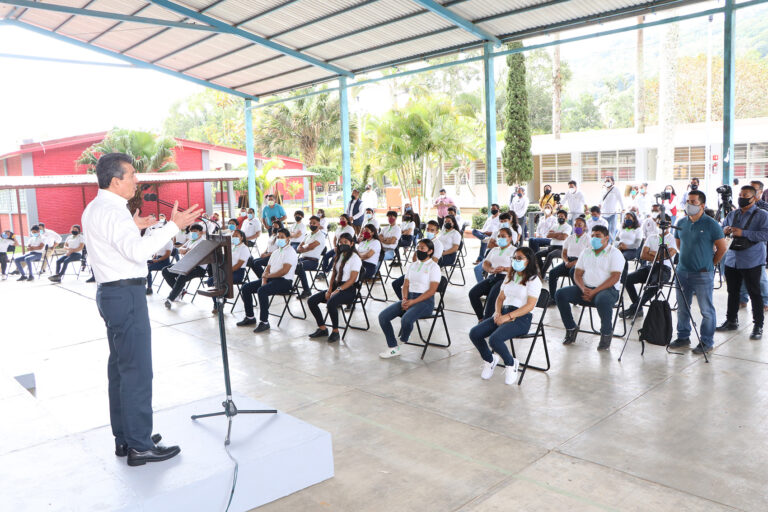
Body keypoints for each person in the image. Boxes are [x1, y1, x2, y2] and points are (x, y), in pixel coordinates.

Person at [81, 152, 201, 466]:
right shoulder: (114, 212)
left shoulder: (97, 208)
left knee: (121, 369)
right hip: (126, 295)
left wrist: (136, 228)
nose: (136, 180)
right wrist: (173, 226)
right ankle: (140, 445)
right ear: (115, 180)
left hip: (110, 294)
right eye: (132, 175)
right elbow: (136, 254)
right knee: (137, 372)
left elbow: (118, 247)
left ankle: (126, 438)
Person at [469, 246, 542, 385]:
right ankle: (490, 360)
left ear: (529, 261)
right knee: (475, 333)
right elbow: (500, 297)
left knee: (495, 339)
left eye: (519, 258)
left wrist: (507, 317)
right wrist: (497, 312)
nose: (516, 261)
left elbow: (530, 305)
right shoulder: (510, 276)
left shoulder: (533, 280)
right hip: (503, 312)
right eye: (514, 258)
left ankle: (511, 364)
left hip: (521, 318)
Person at [668, 190, 727, 354]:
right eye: (688, 201)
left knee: (706, 310)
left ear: (702, 205)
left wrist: (709, 264)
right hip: (682, 272)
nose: (689, 205)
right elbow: (680, 246)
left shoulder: (711, 224)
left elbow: (722, 248)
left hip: (703, 274)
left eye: (693, 202)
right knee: (682, 308)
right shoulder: (681, 222)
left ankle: (707, 341)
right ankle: (683, 336)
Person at [556, 225, 625, 351]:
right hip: (586, 289)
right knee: (560, 294)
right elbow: (577, 273)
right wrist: (583, 289)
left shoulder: (615, 253)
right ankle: (571, 328)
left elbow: (615, 277)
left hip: (608, 291)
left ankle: (606, 333)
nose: (594, 239)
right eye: (592, 236)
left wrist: (594, 291)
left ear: (607, 238)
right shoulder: (586, 252)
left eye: (598, 236)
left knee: (602, 300)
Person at [717, 185, 768, 340]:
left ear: (754, 198)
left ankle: (758, 325)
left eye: (745, 195)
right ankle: (731, 320)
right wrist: (724, 230)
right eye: (740, 194)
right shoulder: (733, 214)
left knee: (755, 293)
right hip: (732, 259)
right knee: (733, 292)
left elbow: (765, 234)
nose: (741, 197)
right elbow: (721, 228)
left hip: (752, 260)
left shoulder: (762, 215)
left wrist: (743, 233)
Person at [378, 239, 441, 358]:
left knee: (406, 319)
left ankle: (403, 339)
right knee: (383, 317)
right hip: (409, 298)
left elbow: (432, 291)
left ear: (430, 251)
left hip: (425, 302)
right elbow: (405, 285)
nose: (419, 250)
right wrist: (405, 299)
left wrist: (413, 302)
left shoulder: (434, 267)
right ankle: (393, 347)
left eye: (422, 248)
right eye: (418, 247)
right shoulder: (413, 265)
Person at [236, 228, 297, 332]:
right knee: (246, 288)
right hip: (271, 279)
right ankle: (250, 317)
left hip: (284, 281)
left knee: (262, 291)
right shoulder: (276, 252)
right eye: (278, 237)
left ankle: (264, 322)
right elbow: (268, 268)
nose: (279, 239)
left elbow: (284, 271)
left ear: (288, 238)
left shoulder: (290, 252)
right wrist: (264, 279)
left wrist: (268, 277)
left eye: (282, 237)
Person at [619, 214, 677, 319]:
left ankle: (634, 308)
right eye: (659, 222)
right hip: (650, 267)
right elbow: (643, 255)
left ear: (669, 225)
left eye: (664, 224)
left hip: (664, 270)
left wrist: (651, 252)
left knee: (654, 284)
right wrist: (659, 254)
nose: (661, 225)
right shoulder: (651, 237)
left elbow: (668, 255)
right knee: (627, 279)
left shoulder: (672, 239)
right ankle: (638, 308)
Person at [307, 233, 362, 343]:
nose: (342, 244)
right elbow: (334, 275)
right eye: (340, 242)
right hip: (336, 286)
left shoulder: (355, 258)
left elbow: (352, 280)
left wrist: (338, 290)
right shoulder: (339, 255)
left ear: (352, 244)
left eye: (345, 242)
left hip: (348, 289)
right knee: (311, 300)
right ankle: (322, 328)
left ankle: (335, 331)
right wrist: (329, 289)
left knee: (331, 302)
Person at [468, 227, 514, 320]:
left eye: (503, 236)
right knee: (473, 293)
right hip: (492, 276)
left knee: (492, 298)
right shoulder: (494, 250)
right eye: (499, 236)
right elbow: (486, 263)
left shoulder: (514, 251)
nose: (500, 238)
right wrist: (491, 269)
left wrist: (504, 268)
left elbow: (519, 269)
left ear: (510, 238)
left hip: (505, 279)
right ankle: (481, 319)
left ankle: (487, 320)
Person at [392, 221, 444, 299]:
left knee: (414, 287)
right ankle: (405, 301)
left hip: (426, 272)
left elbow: (434, 261)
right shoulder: (422, 242)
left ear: (437, 232)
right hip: (416, 269)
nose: (429, 231)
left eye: (432, 230)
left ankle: (412, 303)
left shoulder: (438, 244)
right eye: (427, 229)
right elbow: (414, 259)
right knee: (396, 284)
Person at [547, 216, 590, 306]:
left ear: (585, 227)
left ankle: (577, 296)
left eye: (580, 225)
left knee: (573, 271)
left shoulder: (588, 239)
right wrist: (566, 261)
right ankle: (553, 298)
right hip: (568, 261)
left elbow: (587, 255)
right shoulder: (570, 238)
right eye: (575, 225)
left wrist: (574, 263)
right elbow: (564, 252)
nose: (577, 227)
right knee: (552, 272)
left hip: (581, 263)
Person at [162, 223, 207, 309]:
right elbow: (180, 249)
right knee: (166, 270)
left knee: (182, 275)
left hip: (198, 268)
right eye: (191, 231)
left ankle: (170, 299)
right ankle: (180, 291)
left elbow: (192, 254)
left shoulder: (203, 242)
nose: (192, 233)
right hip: (186, 264)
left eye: (195, 231)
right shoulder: (191, 240)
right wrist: (186, 250)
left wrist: (186, 251)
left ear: (200, 233)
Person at [738, 180, 768, 310]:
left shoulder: (764, 209)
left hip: (757, 246)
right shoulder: (741, 208)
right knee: (742, 274)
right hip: (741, 246)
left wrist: (744, 232)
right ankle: (742, 298)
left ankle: (765, 301)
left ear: (760, 192)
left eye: (753, 189)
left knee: (759, 276)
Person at [205, 229, 250, 314]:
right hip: (227, 271)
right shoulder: (232, 246)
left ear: (242, 237)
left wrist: (226, 272)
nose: (234, 237)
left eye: (237, 236)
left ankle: (220, 303)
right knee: (210, 281)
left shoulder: (244, 248)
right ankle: (217, 303)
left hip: (237, 272)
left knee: (220, 280)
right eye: (233, 236)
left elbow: (238, 265)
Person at [295, 215, 326, 298]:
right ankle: (288, 286)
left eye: (314, 223)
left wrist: (302, 249)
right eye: (310, 223)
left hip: (313, 261)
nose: (311, 225)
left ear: (318, 224)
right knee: (289, 263)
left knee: (299, 266)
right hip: (303, 258)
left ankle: (306, 290)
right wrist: (301, 248)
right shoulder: (308, 235)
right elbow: (299, 246)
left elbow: (311, 246)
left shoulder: (321, 235)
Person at [535, 209, 572, 274]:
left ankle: (542, 275)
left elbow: (564, 237)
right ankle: (541, 272)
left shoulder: (568, 227)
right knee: (537, 255)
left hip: (561, 249)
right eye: (558, 217)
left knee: (550, 255)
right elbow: (548, 235)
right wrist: (559, 233)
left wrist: (554, 234)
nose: (560, 218)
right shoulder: (555, 225)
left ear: (565, 218)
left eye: (562, 217)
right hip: (551, 247)